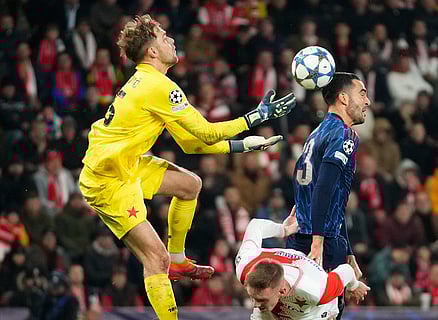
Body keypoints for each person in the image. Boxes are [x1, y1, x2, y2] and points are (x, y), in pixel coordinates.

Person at [78, 14, 296, 320]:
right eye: (164, 37)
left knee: (190, 184)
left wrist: (246, 144)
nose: (172, 41)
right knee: (156, 259)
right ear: (152, 52)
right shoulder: (157, 86)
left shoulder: (150, 83)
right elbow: (206, 132)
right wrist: (254, 118)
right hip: (108, 179)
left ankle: (179, 259)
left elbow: (191, 144)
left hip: (124, 163)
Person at [286, 72, 370, 319]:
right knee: (326, 314)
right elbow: (324, 187)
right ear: (343, 98)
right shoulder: (344, 135)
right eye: (362, 94)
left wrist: (350, 254)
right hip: (321, 242)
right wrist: (319, 240)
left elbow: (330, 199)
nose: (367, 101)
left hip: (302, 235)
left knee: (295, 314)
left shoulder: (317, 133)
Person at [235, 207, 370, 319]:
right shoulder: (246, 265)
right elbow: (255, 225)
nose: (255, 304)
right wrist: (283, 230)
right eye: (253, 297)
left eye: (261, 300)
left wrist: (355, 285)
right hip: (273, 311)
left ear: (282, 290)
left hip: (314, 314)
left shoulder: (315, 291)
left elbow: (346, 270)